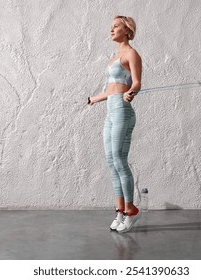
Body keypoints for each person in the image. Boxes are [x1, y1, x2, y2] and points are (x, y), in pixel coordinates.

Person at [87, 15, 142, 233]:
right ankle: (119, 210)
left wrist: (132, 93)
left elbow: (136, 82)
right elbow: (111, 90)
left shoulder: (131, 54)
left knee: (119, 160)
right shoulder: (116, 56)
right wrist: (94, 99)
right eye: (111, 27)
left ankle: (131, 211)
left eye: (116, 26)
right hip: (110, 109)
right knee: (110, 161)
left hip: (121, 110)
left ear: (127, 30)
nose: (111, 30)